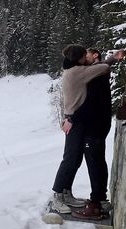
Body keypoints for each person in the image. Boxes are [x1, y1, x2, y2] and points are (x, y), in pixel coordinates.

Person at [51, 44, 124, 215]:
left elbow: (97, 67)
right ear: (78, 59)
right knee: (70, 158)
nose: (86, 59)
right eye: (84, 56)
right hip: (74, 121)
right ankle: (58, 195)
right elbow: (103, 67)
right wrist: (113, 58)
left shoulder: (73, 70)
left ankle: (66, 193)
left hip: (75, 120)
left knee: (75, 158)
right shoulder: (78, 72)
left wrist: (112, 57)